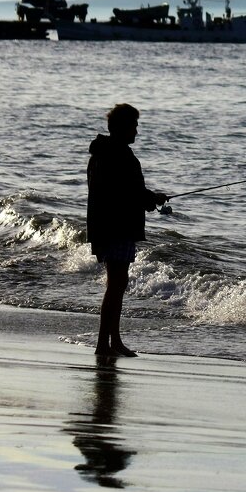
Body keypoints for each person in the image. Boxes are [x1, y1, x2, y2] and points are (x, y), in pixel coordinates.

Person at [86, 103, 167, 357]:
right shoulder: (119, 155)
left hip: (106, 225)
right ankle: (106, 344)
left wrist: (148, 198)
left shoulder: (103, 153)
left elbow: (122, 192)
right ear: (121, 127)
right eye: (134, 126)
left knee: (116, 285)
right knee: (116, 285)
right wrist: (151, 198)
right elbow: (126, 193)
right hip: (116, 227)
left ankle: (111, 342)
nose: (137, 132)